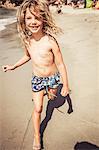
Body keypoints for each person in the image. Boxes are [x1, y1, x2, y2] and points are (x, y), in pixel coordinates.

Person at [2, 0, 69, 149]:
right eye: (29, 18)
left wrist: (65, 84)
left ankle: (49, 93)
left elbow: (60, 64)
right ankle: (37, 135)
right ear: (23, 20)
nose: (33, 22)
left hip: (52, 79)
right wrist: (14, 66)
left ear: (43, 19)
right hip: (37, 79)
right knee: (38, 108)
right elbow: (27, 56)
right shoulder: (27, 41)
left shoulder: (51, 41)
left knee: (52, 97)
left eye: (37, 17)